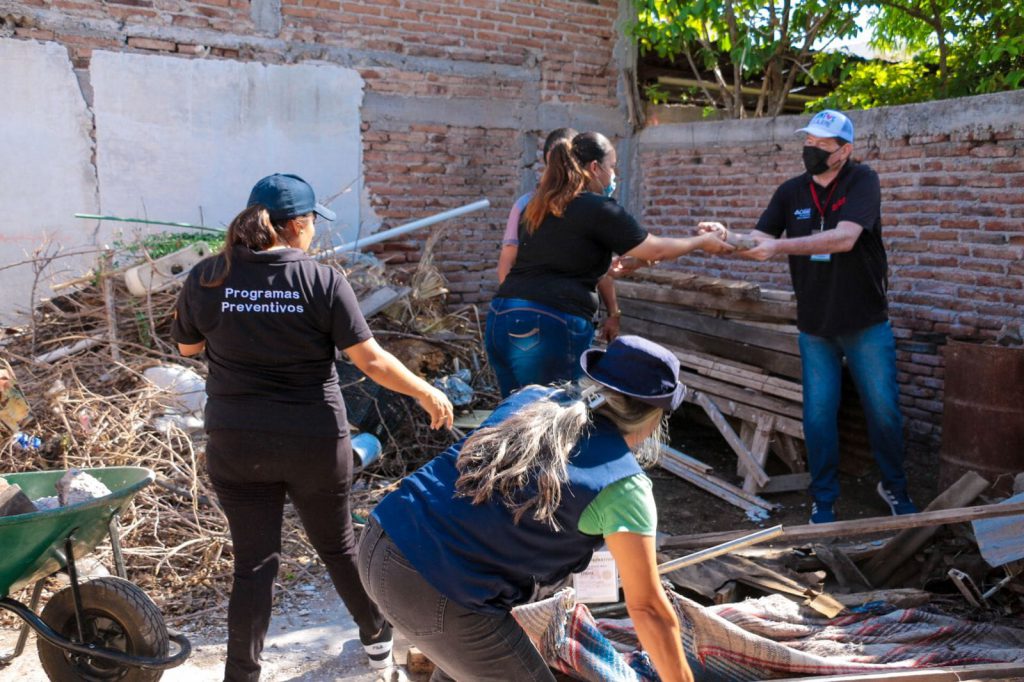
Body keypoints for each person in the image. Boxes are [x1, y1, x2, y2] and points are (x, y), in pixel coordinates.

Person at [171, 173, 454, 681]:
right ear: (298, 226)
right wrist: (426, 390)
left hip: (236, 442)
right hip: (314, 440)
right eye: (311, 225)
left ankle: (241, 676)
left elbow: (187, 349)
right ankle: (375, 644)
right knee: (339, 546)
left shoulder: (207, 276)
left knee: (254, 565)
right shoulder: (322, 280)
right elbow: (369, 360)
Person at [358, 335, 695, 682]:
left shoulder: (533, 398)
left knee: (464, 658)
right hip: (434, 586)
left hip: (381, 539)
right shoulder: (624, 486)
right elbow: (649, 609)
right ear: (654, 417)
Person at [710, 110, 917, 524]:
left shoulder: (863, 181)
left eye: (822, 145)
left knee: (884, 411)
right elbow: (761, 240)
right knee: (819, 415)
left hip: (864, 322)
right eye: (809, 142)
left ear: (844, 151)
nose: (812, 150)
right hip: (815, 325)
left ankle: (893, 485)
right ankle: (824, 498)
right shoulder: (791, 192)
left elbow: (844, 238)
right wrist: (725, 237)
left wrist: (780, 248)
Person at [486, 130, 733, 398]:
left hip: (501, 316)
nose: (615, 176)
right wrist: (701, 242)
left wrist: (620, 267)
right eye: (612, 167)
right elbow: (658, 249)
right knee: (549, 420)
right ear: (595, 168)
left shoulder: (536, 206)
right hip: (549, 324)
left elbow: (557, 258)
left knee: (513, 417)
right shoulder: (597, 207)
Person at [496, 128, 622, 344]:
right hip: (538, 317)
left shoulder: (594, 207)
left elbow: (601, 271)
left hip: (575, 318)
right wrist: (517, 310)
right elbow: (507, 262)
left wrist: (613, 313)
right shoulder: (528, 206)